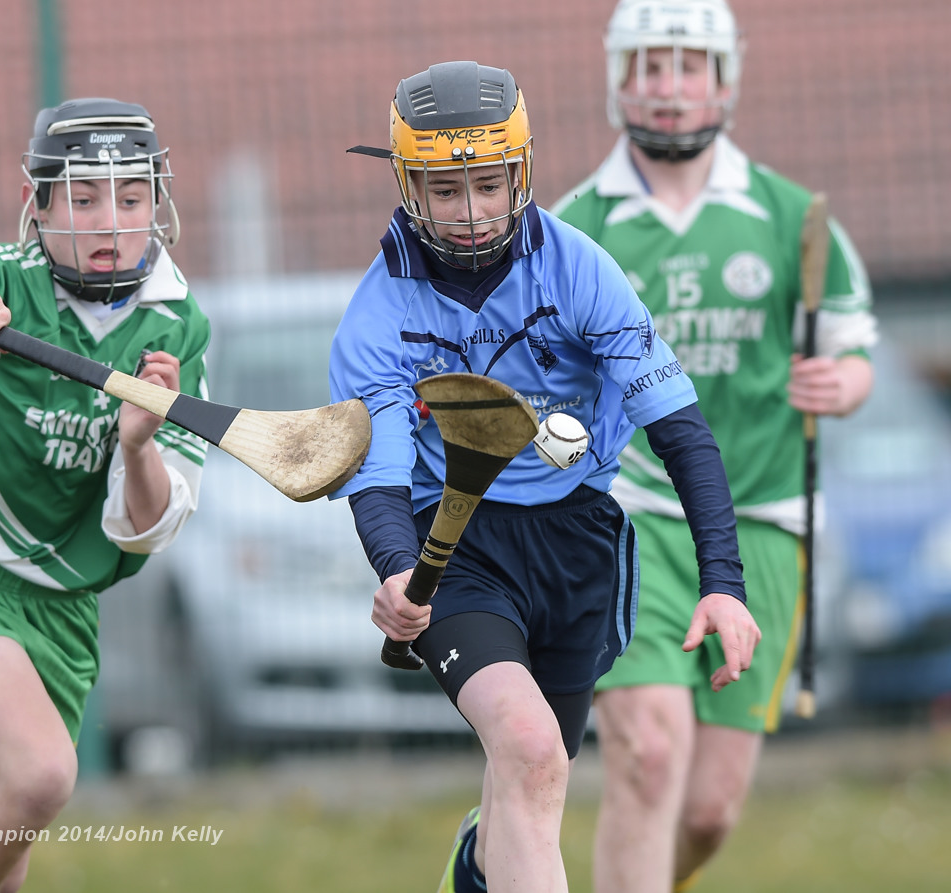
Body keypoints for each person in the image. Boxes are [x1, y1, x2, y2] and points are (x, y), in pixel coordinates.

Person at [331, 61, 762, 893]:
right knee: (529, 750)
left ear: (520, 173)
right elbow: (378, 475)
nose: (468, 213)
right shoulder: (378, 315)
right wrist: (394, 568)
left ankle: (476, 860)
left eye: (487, 185)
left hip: (576, 541)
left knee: (533, 776)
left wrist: (723, 581)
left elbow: (680, 432)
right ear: (408, 186)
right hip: (453, 547)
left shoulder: (581, 270)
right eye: (443, 190)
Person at [550, 3, 877, 891]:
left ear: (724, 79)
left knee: (707, 810)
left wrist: (839, 385)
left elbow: (853, 357)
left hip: (765, 517)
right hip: (635, 513)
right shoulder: (578, 228)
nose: (668, 85)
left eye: (688, 64)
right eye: (649, 65)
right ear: (619, 79)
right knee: (648, 753)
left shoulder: (794, 218)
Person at [0, 97, 210, 893]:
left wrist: (137, 445)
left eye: (129, 198)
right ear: (41, 204)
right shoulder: (1, 276)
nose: (109, 222)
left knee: (3, 862)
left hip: (62, 605)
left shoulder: (177, 326)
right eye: (84, 199)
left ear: (156, 206)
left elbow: (145, 527)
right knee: (41, 776)